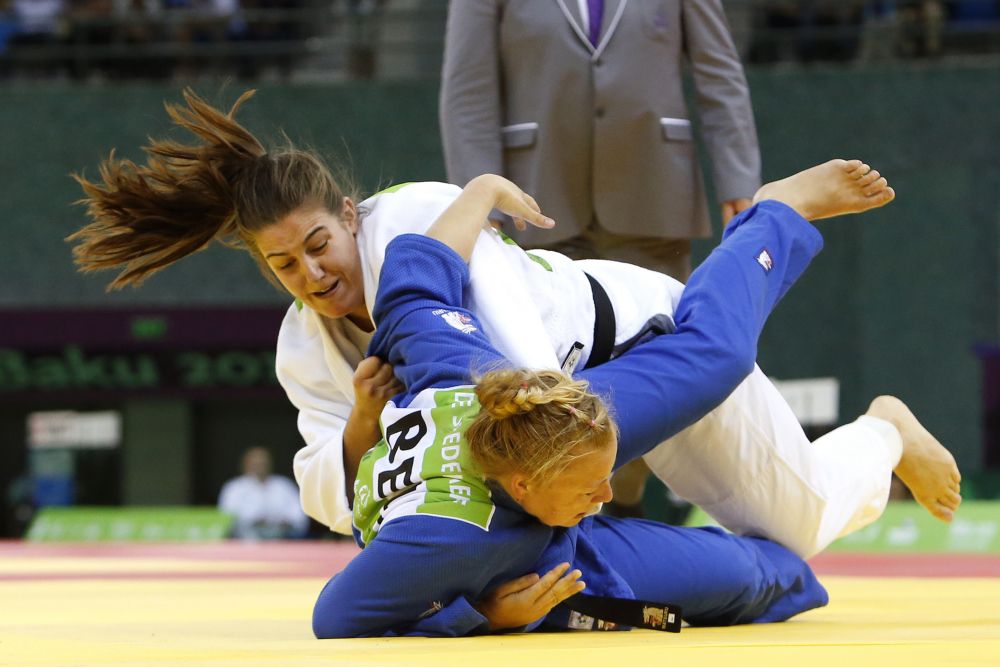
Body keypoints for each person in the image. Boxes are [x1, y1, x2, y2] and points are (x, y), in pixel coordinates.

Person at [68, 89, 960, 565]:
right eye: (285, 267)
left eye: (318, 245)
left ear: (350, 212)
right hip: (561, 425)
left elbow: (530, 382)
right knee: (785, 536)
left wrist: (536, 473)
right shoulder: (304, 346)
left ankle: (781, 238)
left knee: (787, 517)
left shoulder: (419, 220)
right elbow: (330, 494)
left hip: (616, 351)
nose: (315, 275)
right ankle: (878, 433)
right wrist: (358, 433)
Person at [311, 166, 950, 636]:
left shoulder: (462, 376)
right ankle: (853, 470)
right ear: (526, 489)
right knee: (765, 568)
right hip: (548, 563)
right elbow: (333, 615)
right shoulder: (442, 541)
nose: (610, 493)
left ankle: (775, 215)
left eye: (604, 473)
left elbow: (415, 274)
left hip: (550, 414)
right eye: (593, 484)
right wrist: (480, 613)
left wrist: (479, 191)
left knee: (719, 359)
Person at [438, 0, 762, 515]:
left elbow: (718, 70)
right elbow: (467, 87)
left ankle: (622, 509)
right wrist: (480, 196)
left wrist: (739, 177)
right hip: (533, 201)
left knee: (653, 361)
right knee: (539, 372)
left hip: (653, 192)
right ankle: (550, 517)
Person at [218, 446, 310, 540]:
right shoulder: (234, 488)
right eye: (255, 463)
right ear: (245, 464)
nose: (259, 466)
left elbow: (300, 516)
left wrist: (283, 522)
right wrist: (254, 520)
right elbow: (226, 518)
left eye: (263, 463)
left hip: (284, 540)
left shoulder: (284, 485)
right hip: (245, 541)